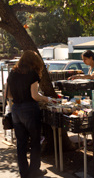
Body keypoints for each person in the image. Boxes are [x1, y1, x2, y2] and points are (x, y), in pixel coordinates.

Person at [5, 50, 50, 178]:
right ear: (34, 61)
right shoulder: (33, 74)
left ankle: (24, 173)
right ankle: (35, 171)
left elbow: (7, 94)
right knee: (35, 141)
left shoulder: (12, 73)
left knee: (21, 143)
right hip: (30, 109)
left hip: (16, 109)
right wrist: (46, 99)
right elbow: (35, 96)